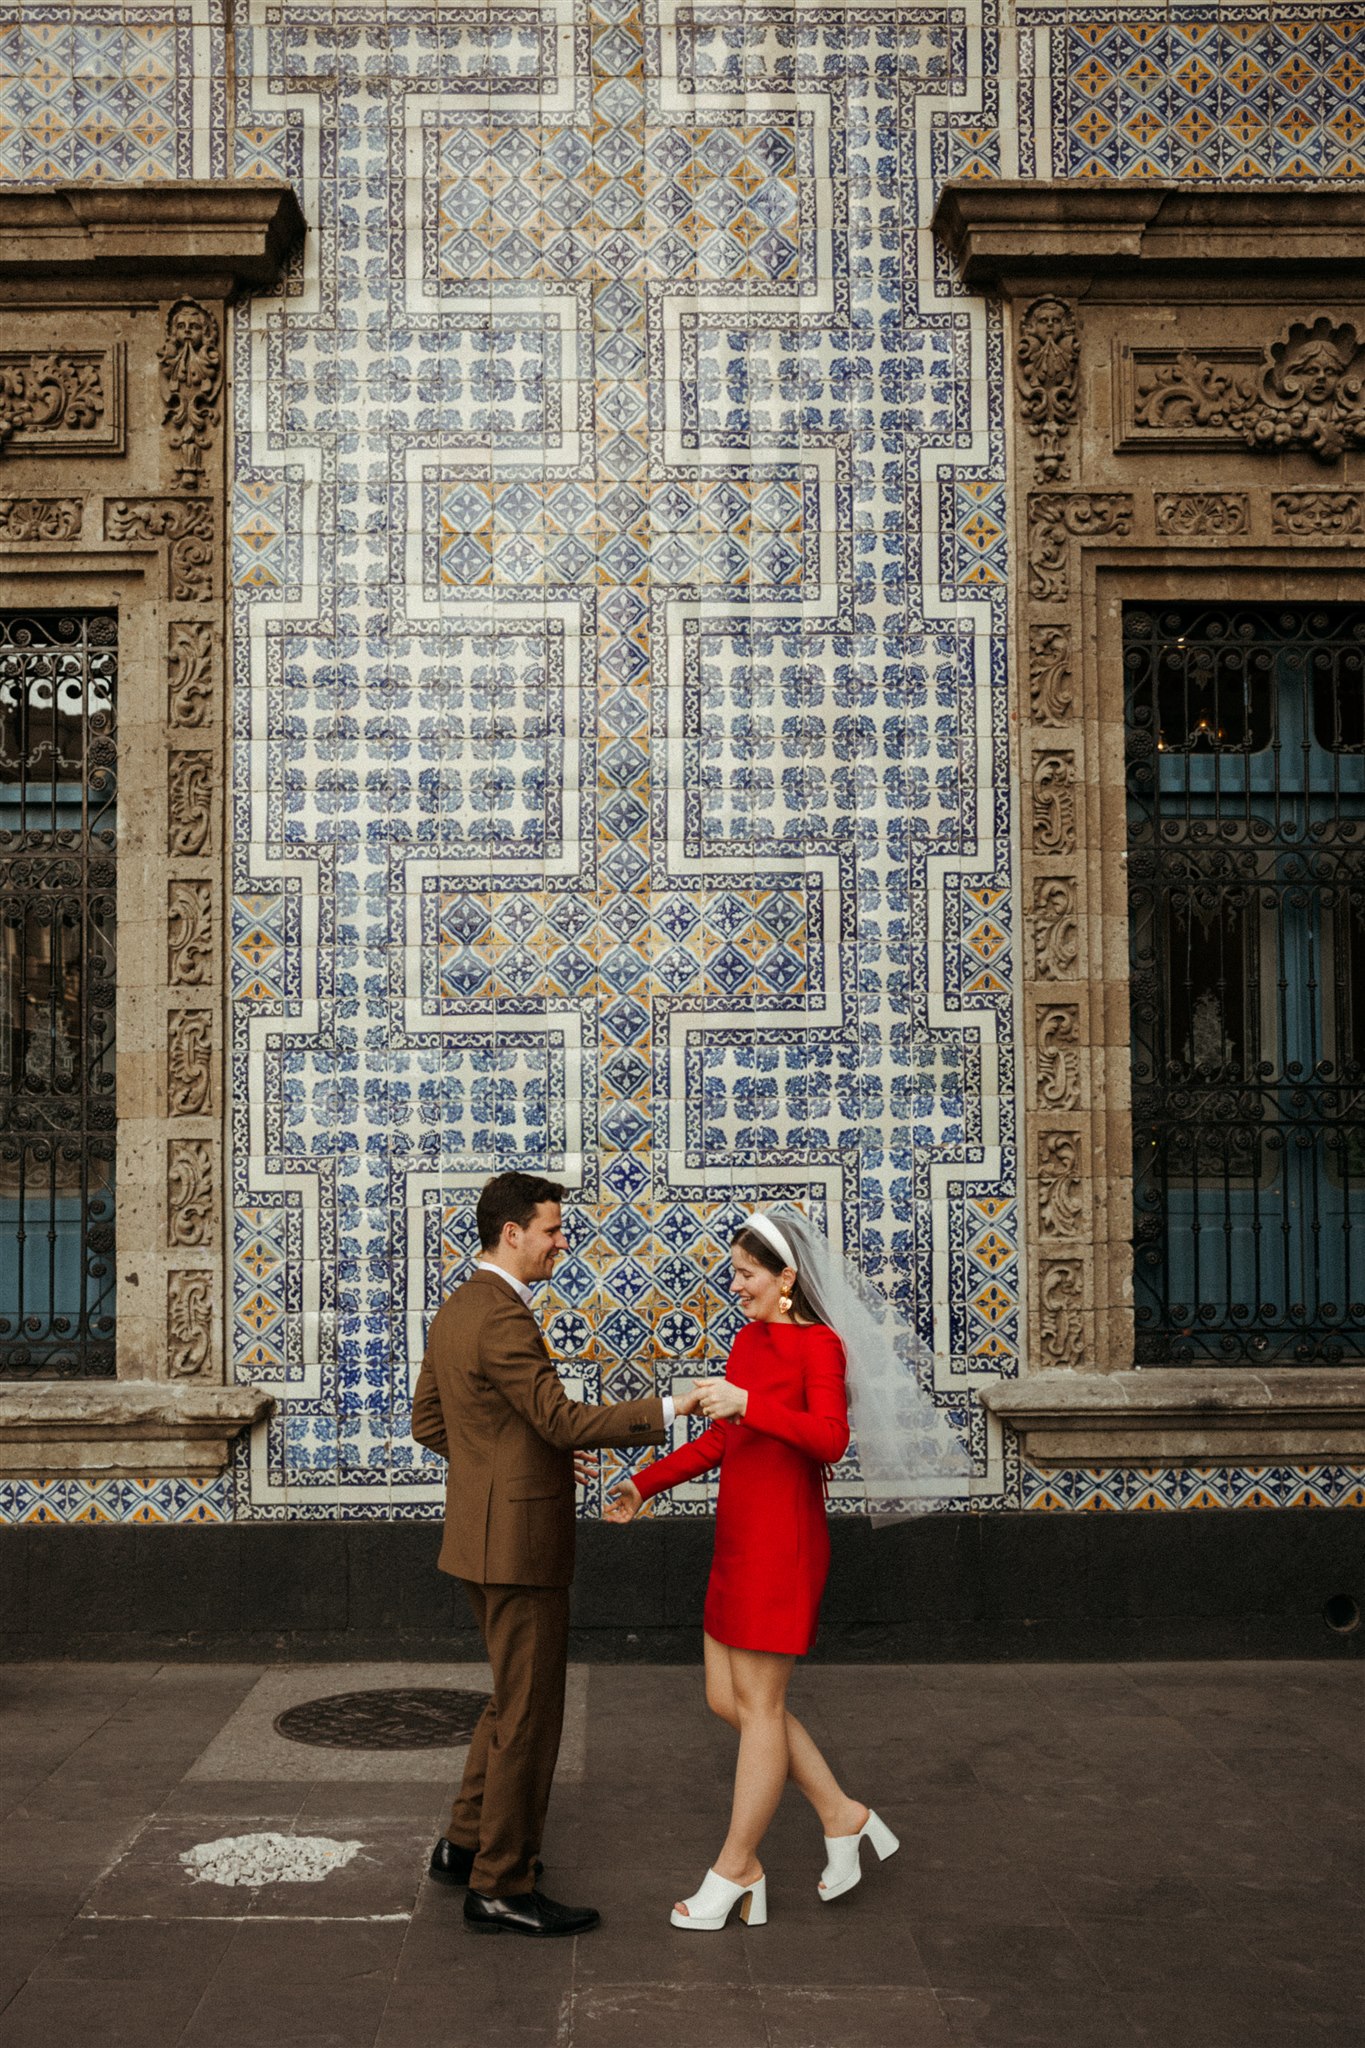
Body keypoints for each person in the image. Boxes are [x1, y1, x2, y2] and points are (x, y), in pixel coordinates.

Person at [606, 1204, 973, 1931]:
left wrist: (750, 1404)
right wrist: (643, 1484)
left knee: (761, 1707)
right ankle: (842, 1815)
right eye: (734, 1275)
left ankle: (736, 1868)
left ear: (785, 1280)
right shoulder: (748, 1339)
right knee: (728, 1701)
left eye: (745, 1275)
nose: (734, 1287)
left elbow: (829, 1440)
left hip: (784, 1544)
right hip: (738, 1540)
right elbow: (722, 1442)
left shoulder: (820, 1346)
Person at [411, 1170, 698, 1938]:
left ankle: (462, 1845)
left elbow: (429, 1423)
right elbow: (560, 1420)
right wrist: (672, 1405)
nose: (560, 1243)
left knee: (508, 1699)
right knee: (531, 1715)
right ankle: (501, 1884)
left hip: (477, 1537)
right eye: (551, 1230)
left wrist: (503, 1469)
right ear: (512, 1233)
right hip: (521, 1545)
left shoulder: (456, 1308)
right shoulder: (502, 1315)